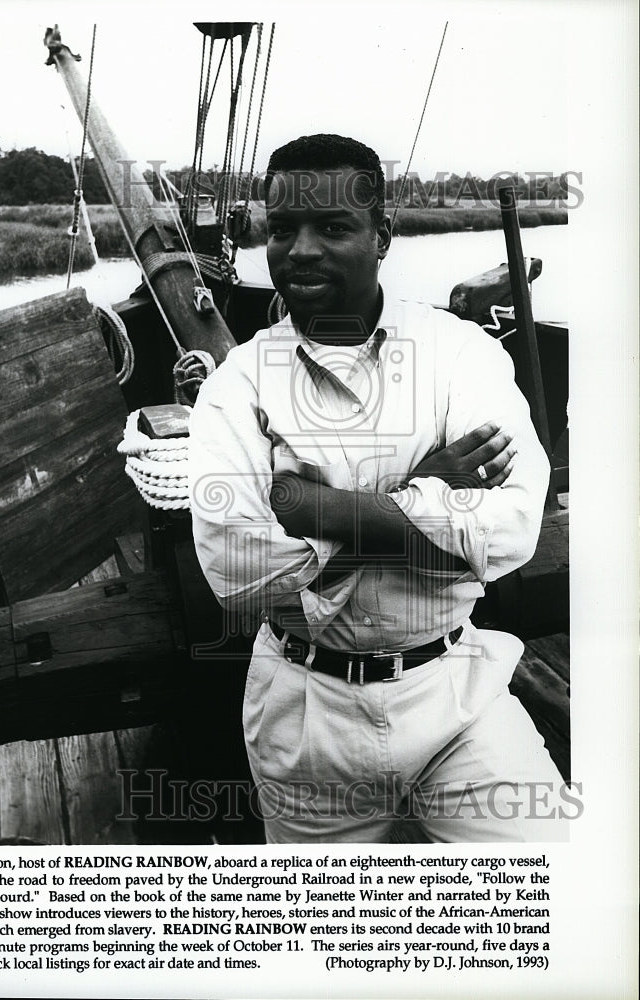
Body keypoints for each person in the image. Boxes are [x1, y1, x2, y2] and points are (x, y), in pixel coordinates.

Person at [188, 134, 566, 843]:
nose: (300, 250)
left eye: (332, 228)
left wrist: (311, 505)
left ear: (382, 234)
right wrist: (432, 490)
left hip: (454, 689)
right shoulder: (235, 385)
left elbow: (512, 526)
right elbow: (239, 576)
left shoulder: (459, 353)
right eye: (282, 230)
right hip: (306, 714)